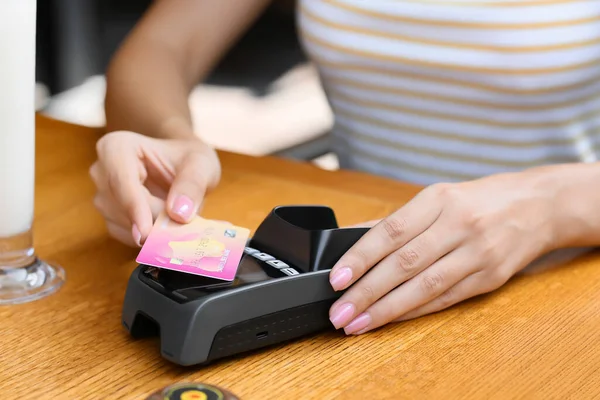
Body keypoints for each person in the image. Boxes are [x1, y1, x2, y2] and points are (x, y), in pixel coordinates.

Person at [90, 0, 600, 336]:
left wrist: (547, 206)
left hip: (564, 289)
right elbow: (158, 49)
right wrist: (168, 137)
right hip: (355, 270)